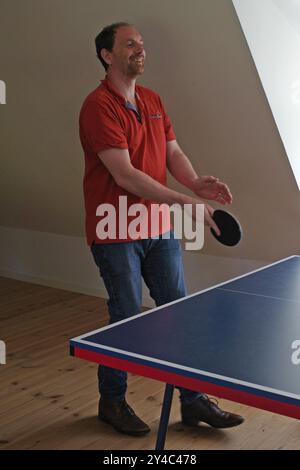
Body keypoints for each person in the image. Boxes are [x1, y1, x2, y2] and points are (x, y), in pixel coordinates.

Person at [79, 22, 244, 436]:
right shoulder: (98, 106)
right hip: (115, 229)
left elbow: (172, 151)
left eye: (141, 44)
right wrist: (188, 204)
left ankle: (192, 401)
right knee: (126, 317)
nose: (140, 49)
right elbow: (126, 177)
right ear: (107, 55)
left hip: (157, 225)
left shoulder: (152, 99)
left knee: (178, 310)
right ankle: (112, 402)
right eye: (130, 44)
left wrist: (195, 182)